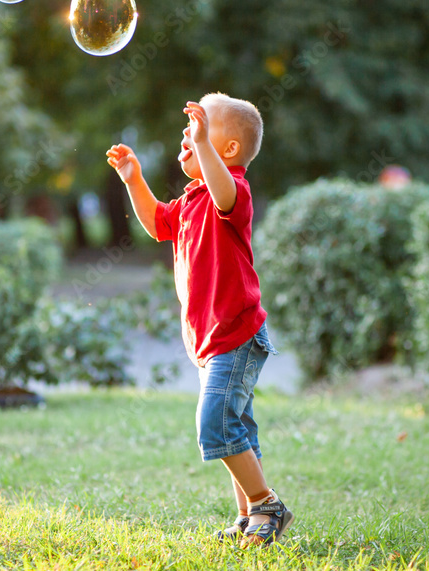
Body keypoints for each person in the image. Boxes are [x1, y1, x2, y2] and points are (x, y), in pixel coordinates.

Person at [106, 92, 293, 547]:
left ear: (226, 150)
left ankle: (267, 506)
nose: (188, 136)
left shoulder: (232, 193)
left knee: (216, 423)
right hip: (213, 340)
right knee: (238, 428)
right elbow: (156, 223)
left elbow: (224, 190)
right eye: (190, 132)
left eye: (200, 130)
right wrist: (134, 179)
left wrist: (204, 145)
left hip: (237, 334)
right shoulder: (190, 201)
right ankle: (250, 518)